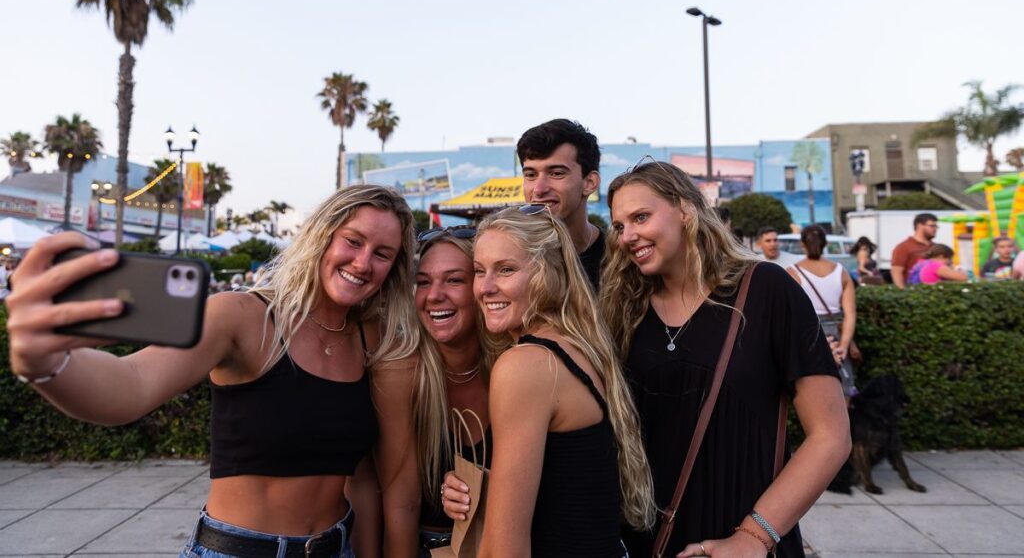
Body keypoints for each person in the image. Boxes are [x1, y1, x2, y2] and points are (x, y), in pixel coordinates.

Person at [5, 185, 425, 558]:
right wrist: (49, 363)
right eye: (353, 241)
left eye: (382, 254)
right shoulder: (242, 316)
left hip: (338, 546)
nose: (363, 262)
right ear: (321, 237)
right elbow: (131, 383)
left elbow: (365, 480)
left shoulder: (373, 340)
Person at [602, 161, 850, 558]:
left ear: (685, 210)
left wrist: (753, 537)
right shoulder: (624, 311)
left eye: (640, 217)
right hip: (644, 541)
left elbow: (831, 436)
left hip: (742, 541)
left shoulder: (766, 291)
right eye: (618, 226)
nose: (628, 236)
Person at [451, 205, 655, 557]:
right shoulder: (576, 347)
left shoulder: (526, 365)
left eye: (506, 270)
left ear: (548, 273)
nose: (485, 287)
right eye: (479, 271)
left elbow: (505, 549)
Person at [411, 226, 494, 556]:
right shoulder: (405, 375)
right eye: (423, 282)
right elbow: (390, 500)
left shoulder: (517, 369)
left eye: (454, 280)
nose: (434, 295)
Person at [517, 119, 604, 289]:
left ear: (589, 183)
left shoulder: (621, 261)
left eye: (556, 173)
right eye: (531, 175)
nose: (539, 189)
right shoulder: (509, 257)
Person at [788, 225, 858, 398]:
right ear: (825, 244)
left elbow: (789, 315)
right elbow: (850, 314)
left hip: (808, 334)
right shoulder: (841, 271)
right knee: (843, 390)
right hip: (836, 333)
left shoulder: (792, 272)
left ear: (802, 244)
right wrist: (843, 346)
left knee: (812, 392)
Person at [891, 213, 938, 288]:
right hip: (913, 290)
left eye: (936, 226)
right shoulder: (904, 247)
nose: (935, 229)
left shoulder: (936, 247)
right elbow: (897, 272)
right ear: (919, 226)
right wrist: (902, 292)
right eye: (932, 226)